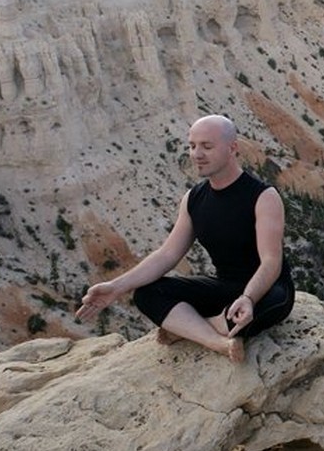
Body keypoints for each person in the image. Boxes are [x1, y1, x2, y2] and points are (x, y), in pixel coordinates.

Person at [76, 115, 294, 363]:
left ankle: (191, 329)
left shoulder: (263, 196)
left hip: (264, 290)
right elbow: (167, 255)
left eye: (207, 146)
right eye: (192, 146)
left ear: (233, 148)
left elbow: (271, 261)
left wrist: (248, 298)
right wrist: (116, 288)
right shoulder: (193, 198)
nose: (197, 154)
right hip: (224, 288)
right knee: (147, 293)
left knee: (273, 302)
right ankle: (218, 340)